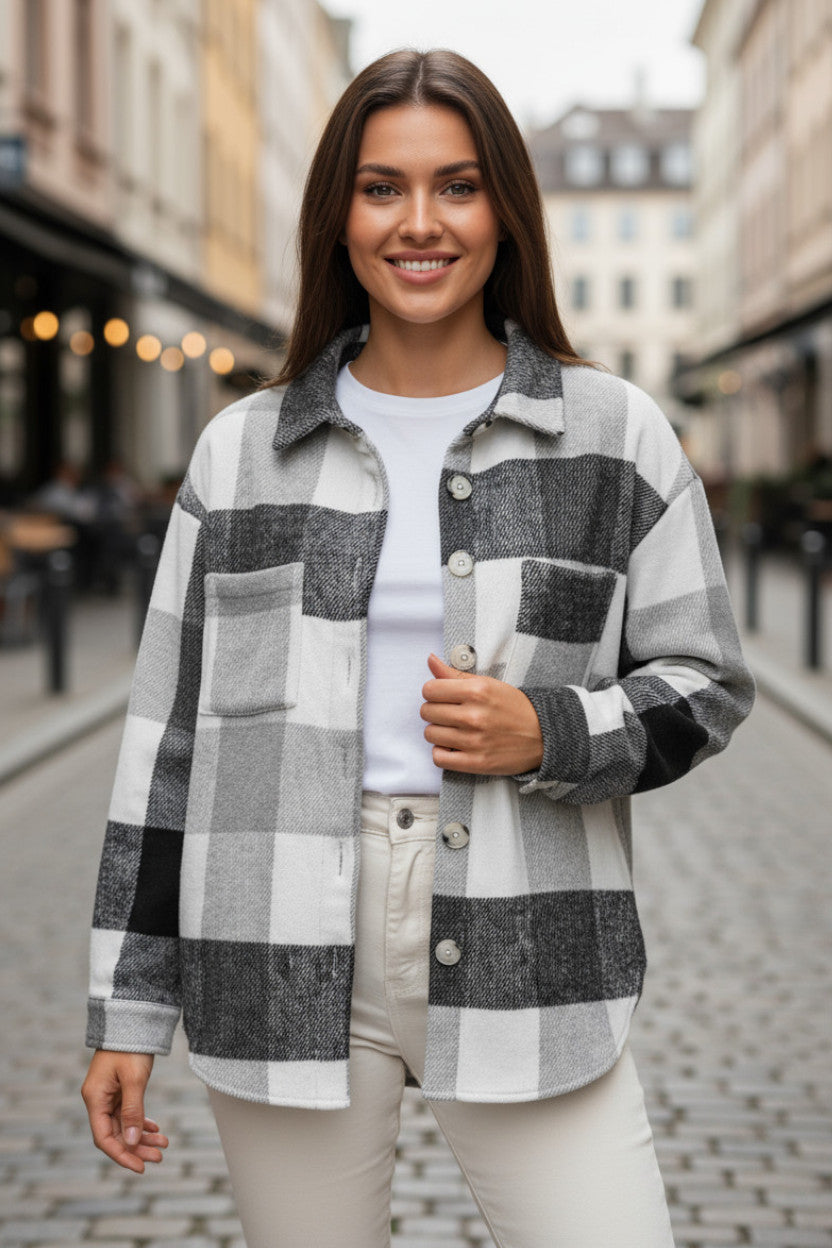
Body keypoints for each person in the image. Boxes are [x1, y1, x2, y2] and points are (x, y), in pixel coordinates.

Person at [81, 48, 755, 1248]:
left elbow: (706, 682)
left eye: (456, 185)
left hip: (528, 927)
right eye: (381, 187)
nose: (420, 223)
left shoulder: (612, 435)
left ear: (505, 209)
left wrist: (549, 728)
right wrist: (126, 1011)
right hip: (273, 932)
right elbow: (167, 748)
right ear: (337, 215)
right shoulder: (240, 454)